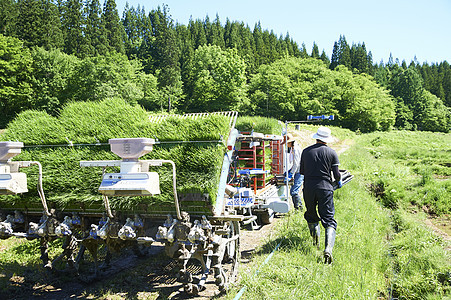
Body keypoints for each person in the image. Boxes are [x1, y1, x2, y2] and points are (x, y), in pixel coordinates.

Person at [300, 126, 342, 264]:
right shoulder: (331, 153)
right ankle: (328, 249)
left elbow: (302, 172)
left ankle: (315, 244)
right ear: (327, 139)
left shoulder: (306, 152)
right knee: (329, 219)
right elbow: (336, 175)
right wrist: (338, 181)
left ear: (316, 137)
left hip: (309, 188)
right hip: (325, 188)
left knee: (311, 215)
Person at [282, 133, 304, 210]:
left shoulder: (295, 149)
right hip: (297, 170)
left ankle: (299, 208)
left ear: (289, 142)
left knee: (293, 191)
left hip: (300, 171)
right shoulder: (293, 148)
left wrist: (291, 174)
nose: (286, 145)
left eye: (286, 143)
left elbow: (296, 163)